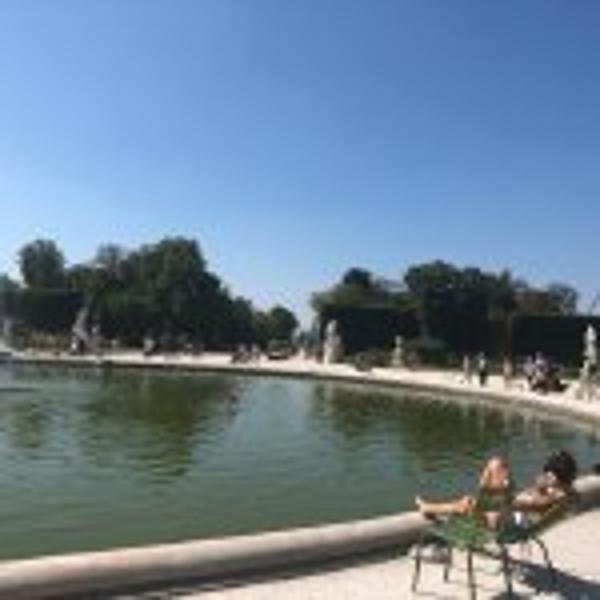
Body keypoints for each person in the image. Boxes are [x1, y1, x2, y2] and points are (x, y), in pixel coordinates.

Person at [416, 450, 577, 526]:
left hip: (504, 523)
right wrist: (539, 488)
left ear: (557, 476)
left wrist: (505, 494)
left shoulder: (554, 497)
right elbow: (533, 503)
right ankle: (478, 498)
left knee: (467, 503)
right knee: (496, 464)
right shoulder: (566, 493)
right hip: (510, 515)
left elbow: (524, 505)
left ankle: (427, 507)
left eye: (549, 474)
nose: (546, 476)